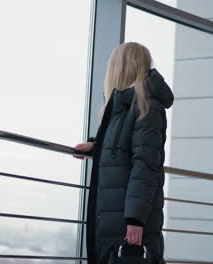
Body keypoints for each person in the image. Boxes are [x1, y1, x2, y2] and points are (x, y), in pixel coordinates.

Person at [74, 42, 174, 264]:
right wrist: (97, 146)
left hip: (128, 222)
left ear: (119, 68)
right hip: (115, 216)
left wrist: (135, 218)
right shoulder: (124, 106)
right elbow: (126, 146)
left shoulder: (147, 106)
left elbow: (145, 165)